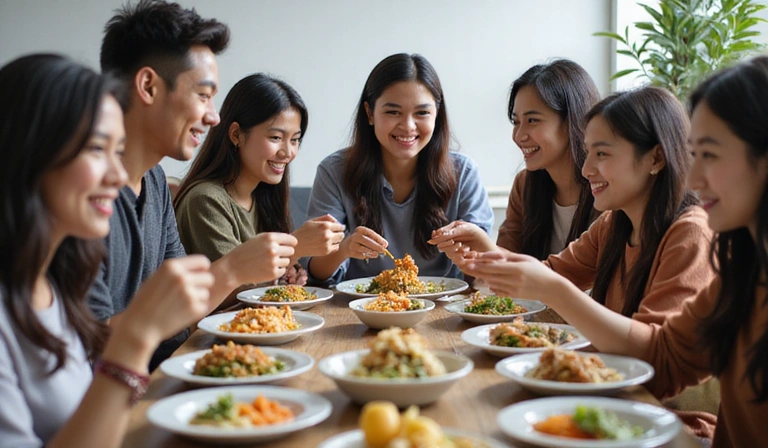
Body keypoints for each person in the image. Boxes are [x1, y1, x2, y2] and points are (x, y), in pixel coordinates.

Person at [463, 57, 768, 446]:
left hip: (664, 421)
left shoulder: (693, 233)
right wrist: (486, 260)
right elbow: (665, 356)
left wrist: (552, 288)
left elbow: (653, 370)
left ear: (655, 158)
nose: (693, 176)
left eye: (709, 154)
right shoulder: (743, 266)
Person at [0, 53, 219, 448]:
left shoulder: (56, 288)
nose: (118, 175)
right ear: (28, 153)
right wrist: (135, 337)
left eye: (118, 152)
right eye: (97, 149)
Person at [88, 0, 297, 370]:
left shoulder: (153, 179)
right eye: (203, 95)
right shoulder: (85, 196)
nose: (213, 116)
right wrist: (231, 269)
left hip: (174, 371)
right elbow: (87, 344)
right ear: (149, 86)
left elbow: (182, 310)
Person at [305, 53, 493, 284]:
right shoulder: (334, 171)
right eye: (393, 112)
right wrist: (344, 248)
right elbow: (316, 272)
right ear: (369, 113)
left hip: (443, 309)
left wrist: (470, 259)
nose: (408, 126)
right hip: (356, 309)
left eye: (422, 113)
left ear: (437, 114)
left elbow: (482, 276)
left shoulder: (464, 172)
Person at [174, 73, 345, 287]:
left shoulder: (264, 196)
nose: (287, 152)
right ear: (236, 134)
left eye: (295, 140)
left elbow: (262, 283)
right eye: (276, 137)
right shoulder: (205, 200)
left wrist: (289, 273)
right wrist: (295, 248)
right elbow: (230, 288)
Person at [430, 60, 601, 260]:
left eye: (532, 121)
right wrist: (477, 251)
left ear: (571, 120)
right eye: (516, 122)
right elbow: (508, 261)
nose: (519, 136)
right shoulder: (526, 185)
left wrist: (487, 249)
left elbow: (576, 274)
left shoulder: (605, 188)